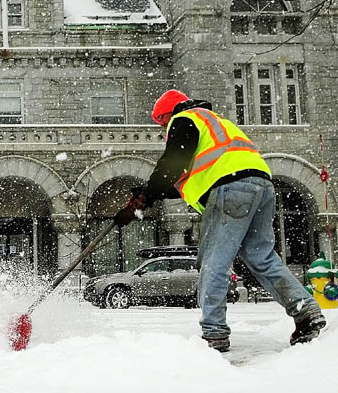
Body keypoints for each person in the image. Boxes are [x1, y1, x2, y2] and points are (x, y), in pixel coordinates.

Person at [114, 89, 326, 352]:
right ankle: (306, 312)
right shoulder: (215, 124)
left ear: (169, 113)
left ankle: (214, 333)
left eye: (162, 123)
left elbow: (173, 163)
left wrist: (146, 196)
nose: (163, 130)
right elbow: (183, 176)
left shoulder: (185, 118)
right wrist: (144, 197)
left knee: (214, 259)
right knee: (261, 256)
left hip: (231, 188)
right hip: (261, 185)